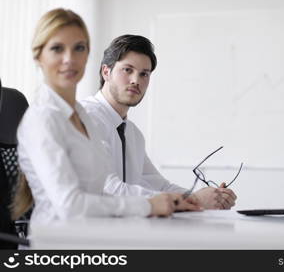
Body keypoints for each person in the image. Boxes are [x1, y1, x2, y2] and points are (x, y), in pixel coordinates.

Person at [15, 8, 200, 224]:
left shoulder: (82, 117)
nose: (69, 59)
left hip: (101, 235)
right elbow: (70, 205)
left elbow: (106, 188)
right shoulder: (44, 118)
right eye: (57, 49)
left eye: (79, 48)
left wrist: (186, 199)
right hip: (61, 246)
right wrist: (150, 204)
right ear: (39, 57)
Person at [81, 35, 237, 209]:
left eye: (144, 74)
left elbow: (159, 186)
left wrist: (210, 197)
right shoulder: (86, 118)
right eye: (127, 70)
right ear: (106, 72)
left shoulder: (132, 133)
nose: (136, 80)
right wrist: (195, 201)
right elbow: (108, 190)